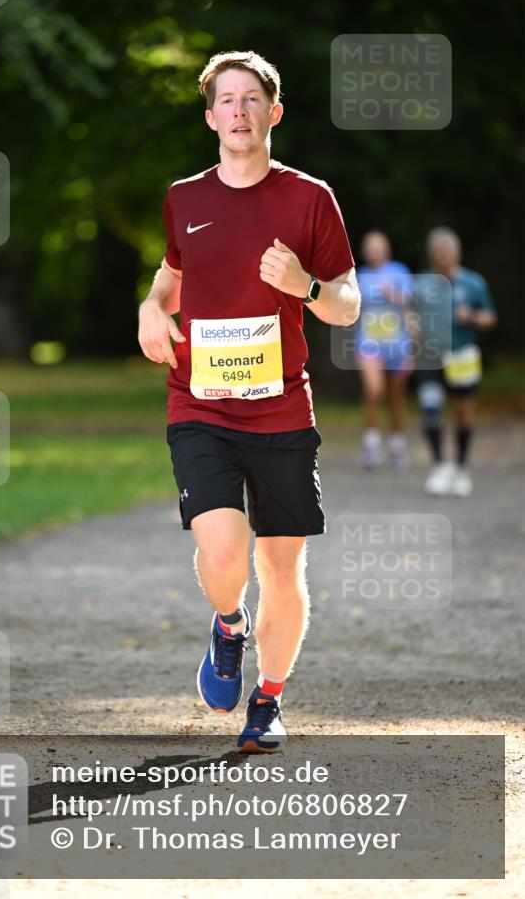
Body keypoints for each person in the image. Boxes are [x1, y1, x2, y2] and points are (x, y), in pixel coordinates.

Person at [138, 50, 360, 752]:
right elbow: (171, 273)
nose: (238, 111)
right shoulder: (185, 198)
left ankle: (266, 701)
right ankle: (227, 623)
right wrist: (151, 307)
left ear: (273, 111)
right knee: (225, 551)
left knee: (282, 568)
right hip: (199, 402)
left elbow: (348, 306)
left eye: (250, 98)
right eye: (225, 101)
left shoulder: (309, 198)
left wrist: (306, 286)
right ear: (210, 118)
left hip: (282, 410)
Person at [416, 227, 497, 496]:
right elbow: (410, 312)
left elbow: (490, 317)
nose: (442, 257)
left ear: (457, 253)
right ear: (431, 255)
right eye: (437, 253)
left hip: (462, 355)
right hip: (430, 356)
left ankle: (462, 468)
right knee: (430, 407)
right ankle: (440, 465)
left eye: (446, 252)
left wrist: (472, 317)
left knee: (463, 410)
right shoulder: (423, 284)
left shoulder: (473, 283)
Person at [354, 230, 415, 471]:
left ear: (387, 248)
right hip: (369, 342)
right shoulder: (359, 276)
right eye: (370, 246)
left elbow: (410, 307)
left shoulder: (400, 272)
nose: (374, 250)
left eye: (379, 246)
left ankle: (397, 446)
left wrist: (395, 295)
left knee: (396, 398)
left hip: (397, 343)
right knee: (374, 390)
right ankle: (371, 443)